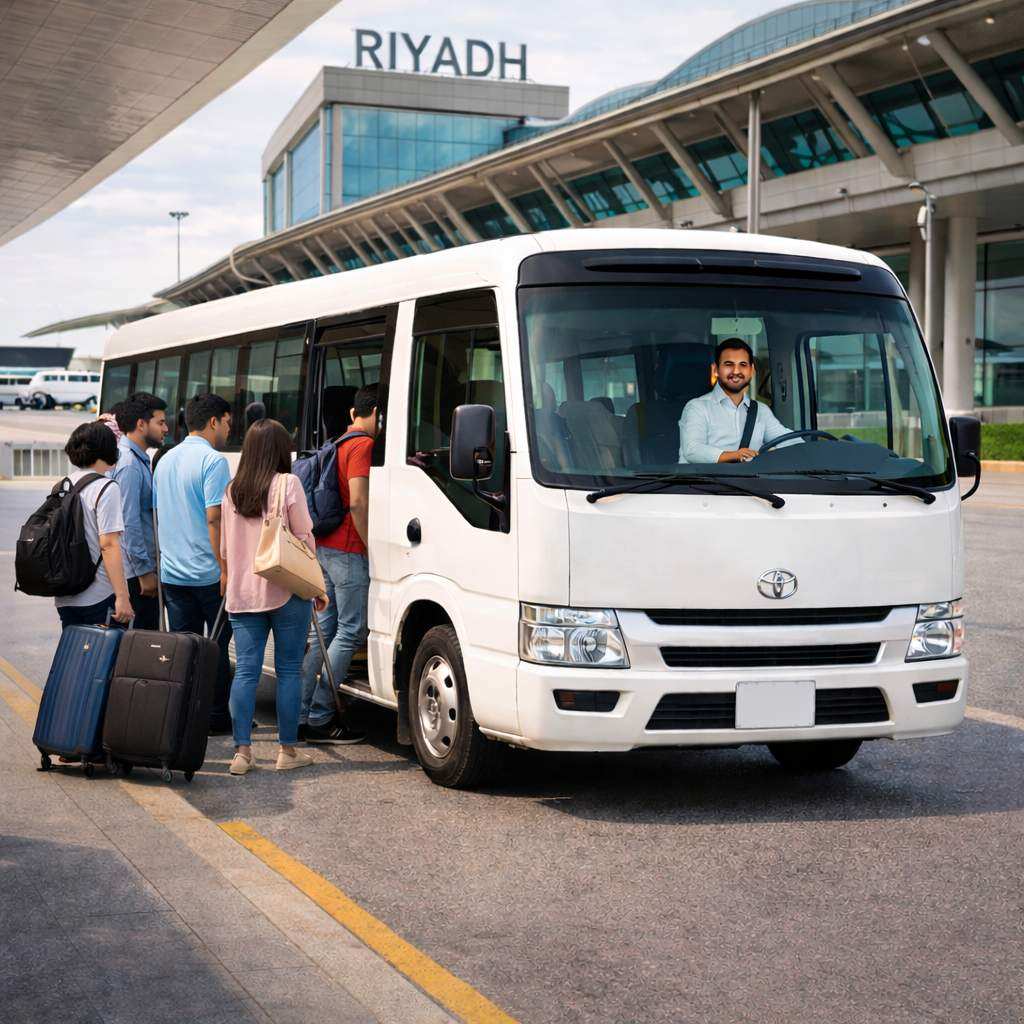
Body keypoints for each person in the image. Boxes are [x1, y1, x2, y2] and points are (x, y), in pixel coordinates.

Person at [221, 419, 327, 774]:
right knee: (288, 671)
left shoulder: (232, 490)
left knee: (246, 672)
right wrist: (317, 587)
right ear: (282, 450)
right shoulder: (288, 483)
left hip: (242, 592)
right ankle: (286, 752)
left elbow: (225, 548)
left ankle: (242, 753)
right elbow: (305, 538)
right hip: (286, 589)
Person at [299, 385, 378, 744]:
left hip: (325, 546)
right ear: (376, 412)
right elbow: (358, 501)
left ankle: (298, 712)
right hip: (347, 547)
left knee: (323, 632)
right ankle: (320, 714)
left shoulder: (340, 441)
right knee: (350, 631)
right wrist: (369, 543)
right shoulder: (363, 445)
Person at [153, 393, 233, 734]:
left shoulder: (165, 460)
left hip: (173, 573)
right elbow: (214, 518)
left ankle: (183, 714)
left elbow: (158, 514)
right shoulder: (214, 461)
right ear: (214, 421)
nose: (229, 430)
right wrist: (225, 567)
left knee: (184, 648)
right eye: (228, 422)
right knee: (215, 649)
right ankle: (215, 718)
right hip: (208, 574)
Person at [54, 421, 133, 629]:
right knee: (108, 659)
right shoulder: (106, 487)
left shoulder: (63, 484)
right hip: (98, 595)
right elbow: (108, 545)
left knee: (76, 658)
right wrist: (122, 597)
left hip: (66, 595)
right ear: (106, 449)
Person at [679, 339, 795, 464]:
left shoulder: (761, 411)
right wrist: (734, 455)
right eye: (729, 364)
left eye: (743, 365)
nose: (736, 371)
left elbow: (788, 441)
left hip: (750, 483)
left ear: (751, 371)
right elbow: (692, 450)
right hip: (702, 482)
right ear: (715, 370)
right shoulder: (697, 407)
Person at [110, 392, 168, 630]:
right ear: (141, 424)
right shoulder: (130, 465)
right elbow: (129, 523)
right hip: (135, 575)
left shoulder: (136, 459)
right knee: (142, 647)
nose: (166, 428)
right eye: (161, 422)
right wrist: (145, 571)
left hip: (136, 570)